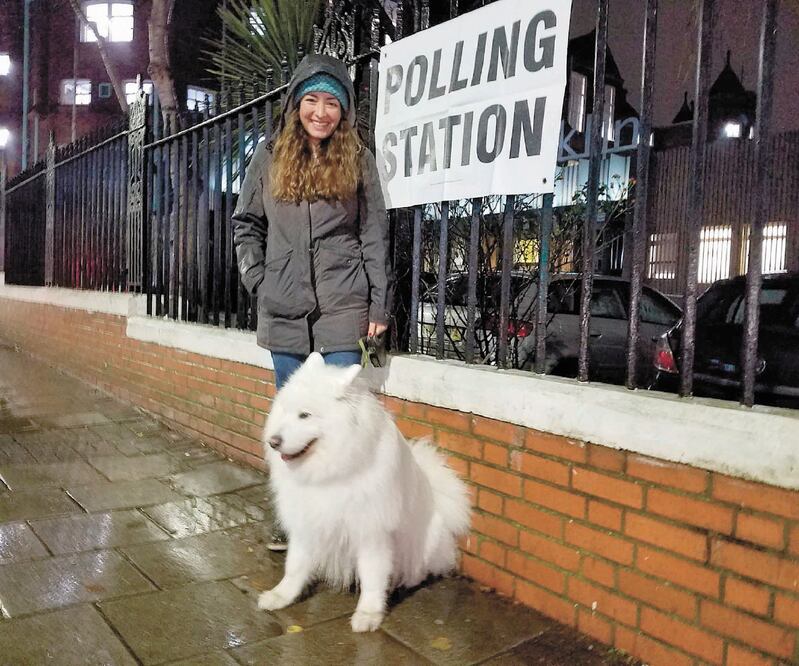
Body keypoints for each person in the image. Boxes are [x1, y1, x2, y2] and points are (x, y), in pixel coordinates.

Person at [233, 54, 392, 550]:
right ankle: (294, 516)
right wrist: (259, 280)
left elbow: (373, 236)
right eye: (312, 100)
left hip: (345, 306)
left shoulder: (358, 159)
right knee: (292, 419)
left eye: (331, 103)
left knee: (343, 419)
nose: (321, 112)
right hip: (282, 305)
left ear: (343, 111)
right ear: (296, 104)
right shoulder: (269, 156)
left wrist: (379, 307)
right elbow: (245, 224)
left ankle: (345, 521)